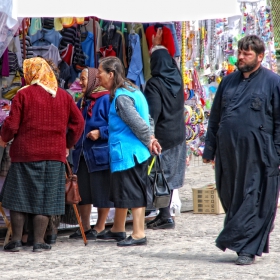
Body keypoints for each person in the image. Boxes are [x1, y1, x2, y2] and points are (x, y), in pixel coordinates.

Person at [202, 35, 280, 265]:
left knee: (253, 198)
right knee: (231, 196)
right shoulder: (228, 82)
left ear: (260, 56)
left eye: (247, 54)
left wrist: (277, 152)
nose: (242, 57)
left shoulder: (273, 82)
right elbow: (215, 116)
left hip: (260, 153)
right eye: (240, 52)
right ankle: (240, 241)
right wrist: (209, 149)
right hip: (228, 153)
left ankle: (247, 248)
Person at [0, 57, 84, 252]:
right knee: (45, 199)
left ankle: (17, 241)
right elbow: (78, 123)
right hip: (53, 155)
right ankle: (39, 242)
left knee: (19, 198)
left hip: (25, 154)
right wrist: (68, 144)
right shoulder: (64, 96)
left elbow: (11, 125)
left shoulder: (23, 95)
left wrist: (3, 138)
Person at [96, 56, 161, 246]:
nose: (98, 76)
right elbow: (148, 119)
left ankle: (139, 233)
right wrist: (152, 138)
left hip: (128, 153)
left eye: (100, 72)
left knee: (132, 192)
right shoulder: (133, 91)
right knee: (123, 191)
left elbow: (138, 124)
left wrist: (149, 140)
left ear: (111, 74)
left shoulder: (122, 97)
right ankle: (118, 228)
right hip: (131, 152)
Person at [143, 29, 186, 230]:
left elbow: (153, 113)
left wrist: (149, 135)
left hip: (163, 138)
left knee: (159, 175)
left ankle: (164, 215)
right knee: (169, 176)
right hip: (178, 136)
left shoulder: (154, 85)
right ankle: (164, 213)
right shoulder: (177, 81)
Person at [69, 67, 113, 240]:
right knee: (83, 193)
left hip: (98, 153)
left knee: (102, 191)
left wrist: (100, 132)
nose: (80, 82)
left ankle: (100, 226)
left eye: (84, 79)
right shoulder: (83, 101)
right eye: (80, 79)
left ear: (94, 79)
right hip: (82, 154)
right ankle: (85, 226)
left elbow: (116, 127)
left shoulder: (106, 99)